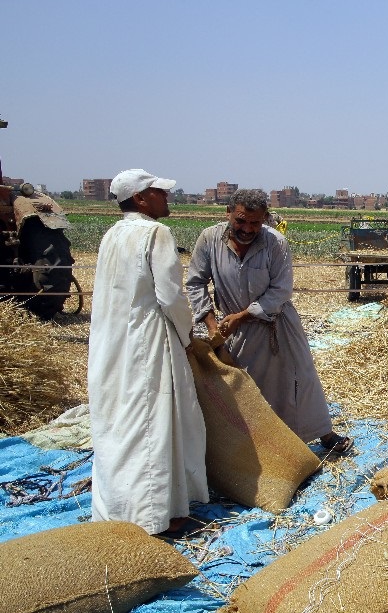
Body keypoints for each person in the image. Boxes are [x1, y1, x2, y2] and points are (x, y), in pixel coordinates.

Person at [185, 189, 352, 455]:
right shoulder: (210, 239)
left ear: (264, 219)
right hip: (233, 332)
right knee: (246, 390)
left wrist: (243, 315)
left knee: (299, 381)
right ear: (228, 213)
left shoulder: (275, 243)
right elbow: (195, 282)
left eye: (255, 223)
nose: (247, 229)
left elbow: (281, 291)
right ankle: (262, 447)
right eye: (241, 221)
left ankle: (323, 433)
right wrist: (212, 324)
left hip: (276, 325)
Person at [88, 168, 209, 536]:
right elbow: (170, 296)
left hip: (113, 340)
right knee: (152, 421)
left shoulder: (113, 234)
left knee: (120, 420)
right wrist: (189, 336)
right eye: (159, 192)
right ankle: (156, 517)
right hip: (148, 340)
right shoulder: (155, 232)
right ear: (140, 198)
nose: (166, 198)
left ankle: (120, 509)